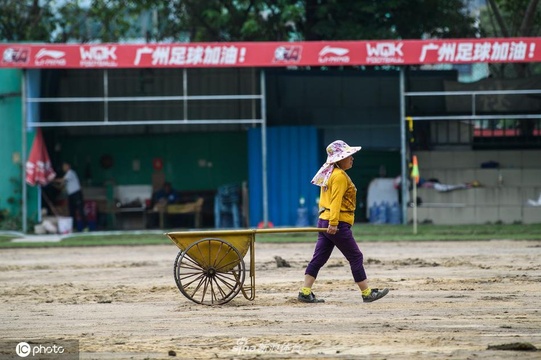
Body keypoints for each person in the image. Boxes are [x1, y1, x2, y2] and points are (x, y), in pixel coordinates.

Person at [298, 140, 389, 303]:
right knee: (355, 256)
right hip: (336, 223)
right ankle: (366, 293)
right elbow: (335, 201)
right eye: (349, 156)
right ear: (339, 159)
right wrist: (333, 223)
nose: (352, 158)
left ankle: (305, 291)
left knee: (319, 258)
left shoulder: (329, 173)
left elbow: (324, 201)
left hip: (324, 221)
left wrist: (328, 222)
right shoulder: (339, 176)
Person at [54, 161, 88, 232]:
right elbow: (60, 186)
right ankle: (74, 227)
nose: (63, 168)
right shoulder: (66, 176)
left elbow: (61, 180)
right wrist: (52, 184)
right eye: (63, 167)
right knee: (72, 211)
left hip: (76, 194)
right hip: (71, 195)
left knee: (80, 210)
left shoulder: (71, 173)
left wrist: (52, 180)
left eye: (64, 166)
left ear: (68, 166)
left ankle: (85, 227)